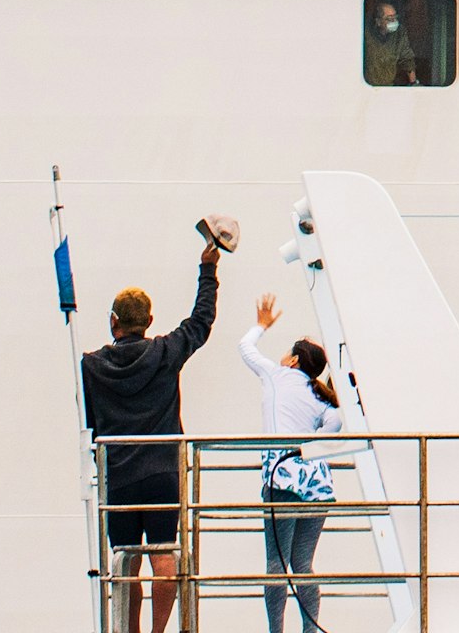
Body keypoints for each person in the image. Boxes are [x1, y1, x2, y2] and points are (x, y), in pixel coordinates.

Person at [79, 219, 225, 633]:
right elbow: (200, 322)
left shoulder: (92, 365)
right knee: (166, 558)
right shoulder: (164, 352)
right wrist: (207, 269)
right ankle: (160, 632)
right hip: (162, 472)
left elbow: (90, 423)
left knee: (126, 562)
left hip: (119, 474)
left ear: (113, 322)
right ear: (149, 320)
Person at [240, 292, 349, 633]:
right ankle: (311, 630)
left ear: (293, 361)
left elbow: (245, 348)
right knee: (303, 563)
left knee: (277, 563)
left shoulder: (276, 375)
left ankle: (276, 631)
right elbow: (335, 425)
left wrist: (261, 325)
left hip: (282, 478)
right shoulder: (322, 399)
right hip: (317, 485)